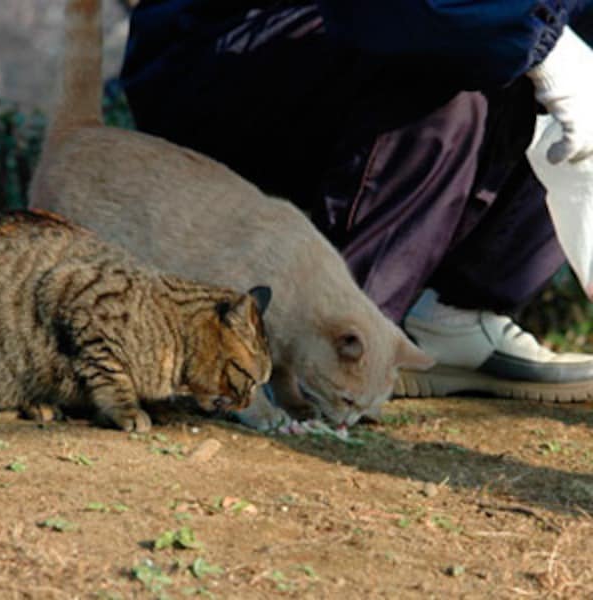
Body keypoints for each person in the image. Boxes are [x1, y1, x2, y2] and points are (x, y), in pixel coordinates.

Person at [119, 1, 593, 401]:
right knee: (451, 55)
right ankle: (339, 336)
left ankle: (454, 318)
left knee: (534, 51)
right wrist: (545, 47)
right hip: (222, 46)